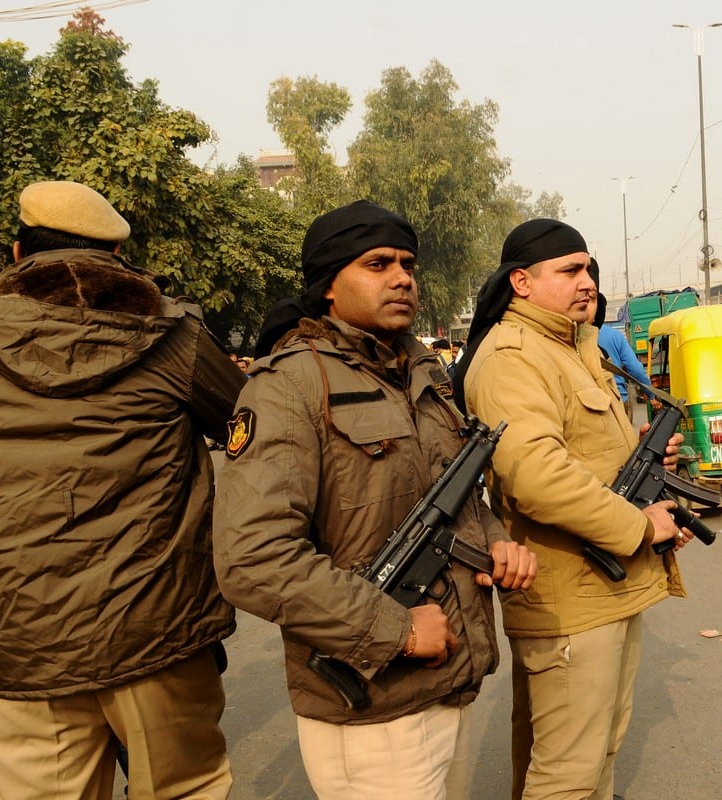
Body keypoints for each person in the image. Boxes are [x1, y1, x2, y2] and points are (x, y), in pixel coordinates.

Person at [212, 200, 536, 800]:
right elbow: (252, 559)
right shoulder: (288, 385)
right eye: (377, 263)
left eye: (408, 264)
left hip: (450, 680)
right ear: (328, 285)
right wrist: (396, 631)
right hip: (370, 703)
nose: (402, 278)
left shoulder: (423, 372)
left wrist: (492, 539)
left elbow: (452, 496)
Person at [0, 180, 244, 799]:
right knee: (187, 788)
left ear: (18, 252)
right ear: (115, 256)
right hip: (155, 633)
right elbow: (248, 427)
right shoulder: (174, 335)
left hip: (20, 639)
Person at [455, 218, 692, 800]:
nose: (587, 281)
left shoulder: (574, 346)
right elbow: (535, 474)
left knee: (593, 755)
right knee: (568, 774)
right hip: (568, 599)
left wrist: (644, 464)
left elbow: (580, 457)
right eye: (569, 270)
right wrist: (639, 526)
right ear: (522, 282)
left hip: (605, 586)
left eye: (588, 267)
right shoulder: (513, 356)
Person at [586, 263, 651, 420]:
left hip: (590, 408)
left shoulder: (563, 340)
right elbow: (635, 369)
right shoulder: (615, 336)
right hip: (618, 401)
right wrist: (651, 394)